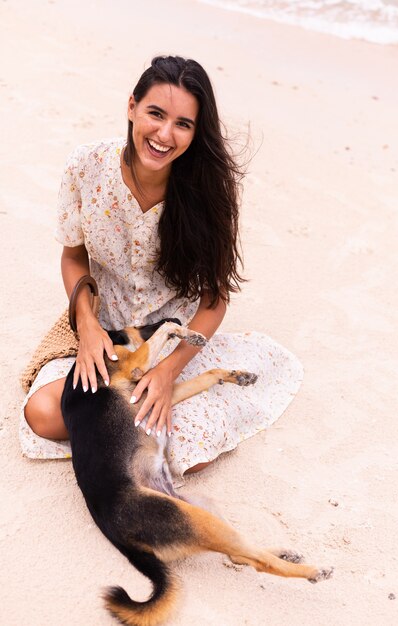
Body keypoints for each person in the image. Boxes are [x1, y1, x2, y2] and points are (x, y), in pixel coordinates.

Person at [20, 55, 303, 485]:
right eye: (155, 113)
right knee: (41, 414)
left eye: (183, 124)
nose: (164, 134)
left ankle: (135, 411)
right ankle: (126, 416)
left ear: (195, 131)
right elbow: (73, 255)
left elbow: (214, 300)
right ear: (132, 106)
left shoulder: (208, 193)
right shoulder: (86, 167)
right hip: (106, 330)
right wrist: (87, 325)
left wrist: (167, 372)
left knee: (188, 453)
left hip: (172, 338)